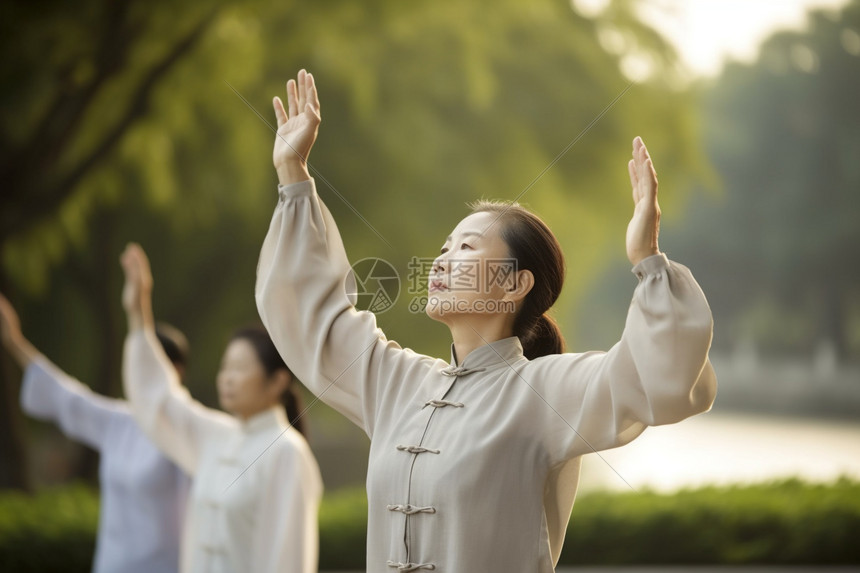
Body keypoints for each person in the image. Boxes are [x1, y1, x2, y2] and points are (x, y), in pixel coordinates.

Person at [256, 69, 718, 573]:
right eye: (443, 248)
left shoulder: (546, 392)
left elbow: (659, 379)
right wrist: (293, 173)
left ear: (515, 284)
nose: (441, 261)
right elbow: (313, 317)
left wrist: (648, 260)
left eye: (466, 248)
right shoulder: (396, 382)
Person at [119, 243, 323, 573]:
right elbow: (162, 401)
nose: (227, 378)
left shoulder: (287, 453)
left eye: (240, 368)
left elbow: (289, 560)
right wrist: (138, 311)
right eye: (225, 367)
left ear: (277, 381)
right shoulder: (216, 436)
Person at [0, 293, 190, 573]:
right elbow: (68, 397)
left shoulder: (191, 428)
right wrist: (13, 341)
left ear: (176, 370)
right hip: (112, 565)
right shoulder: (120, 422)